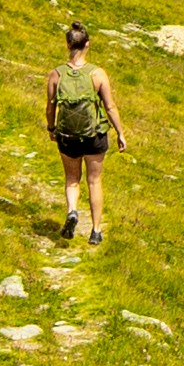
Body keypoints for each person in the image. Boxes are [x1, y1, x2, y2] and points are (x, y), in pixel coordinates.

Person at [44, 21, 126, 244]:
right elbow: (110, 107)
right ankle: (96, 231)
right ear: (87, 44)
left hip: (67, 136)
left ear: (68, 45)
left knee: (72, 178)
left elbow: (50, 107)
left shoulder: (56, 75)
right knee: (94, 181)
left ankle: (72, 211)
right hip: (94, 136)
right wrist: (120, 132)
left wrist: (52, 128)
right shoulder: (97, 74)